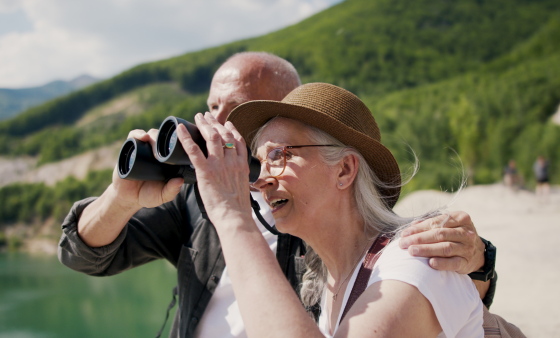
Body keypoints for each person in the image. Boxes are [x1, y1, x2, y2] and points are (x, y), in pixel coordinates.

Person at [58, 52, 499, 337]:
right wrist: (122, 196)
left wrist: (479, 261)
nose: (222, 131)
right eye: (213, 112)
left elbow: (408, 265)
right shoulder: (194, 203)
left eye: (278, 150)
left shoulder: (359, 240)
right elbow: (83, 255)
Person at [176, 82, 482, 336]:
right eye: (258, 162)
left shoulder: (411, 262)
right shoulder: (328, 282)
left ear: (345, 170)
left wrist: (232, 215)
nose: (260, 181)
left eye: (279, 155)